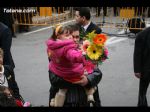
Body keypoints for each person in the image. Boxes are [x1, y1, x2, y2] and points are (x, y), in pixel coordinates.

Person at [47, 24, 102, 107]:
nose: (75, 39)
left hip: (83, 102)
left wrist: (87, 80)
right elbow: (53, 79)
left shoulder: (85, 49)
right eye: (72, 36)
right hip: (66, 102)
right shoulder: (58, 53)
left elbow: (97, 73)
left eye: (77, 37)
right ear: (61, 38)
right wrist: (74, 79)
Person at [133, 27, 150, 106]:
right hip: (146, 70)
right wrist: (137, 70)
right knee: (142, 93)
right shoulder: (142, 35)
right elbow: (137, 54)